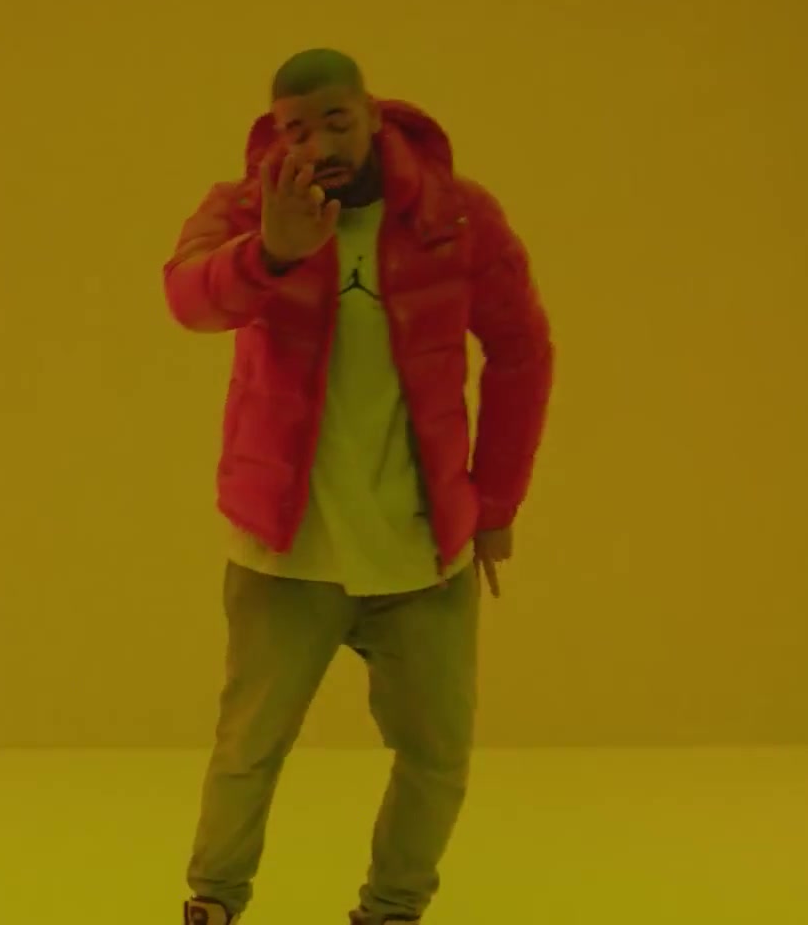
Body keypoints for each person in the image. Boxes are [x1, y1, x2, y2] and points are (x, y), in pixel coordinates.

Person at [164, 49, 555, 925]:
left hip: (423, 551)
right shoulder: (246, 209)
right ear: (278, 134)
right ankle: (214, 902)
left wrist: (496, 503)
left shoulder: (456, 216)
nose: (320, 145)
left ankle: (392, 910)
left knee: (436, 755)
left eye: (336, 121)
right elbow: (189, 300)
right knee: (248, 748)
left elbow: (522, 352)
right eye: (297, 129)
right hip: (283, 550)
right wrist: (269, 253)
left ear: (372, 115)